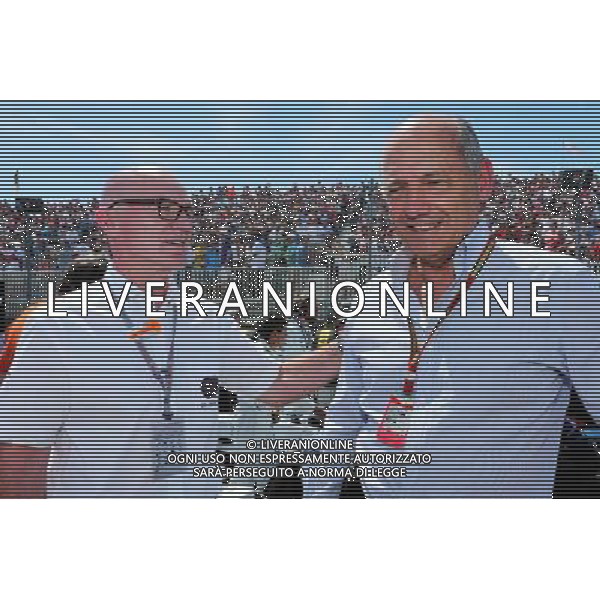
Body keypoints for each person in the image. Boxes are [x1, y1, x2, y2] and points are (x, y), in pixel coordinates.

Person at [305, 114, 600, 498]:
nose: (414, 206)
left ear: (482, 182)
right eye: (397, 189)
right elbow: (343, 423)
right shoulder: (373, 296)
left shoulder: (560, 284)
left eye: (434, 182)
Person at [0, 168, 340, 498]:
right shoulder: (58, 326)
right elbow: (20, 463)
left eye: (188, 211)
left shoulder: (208, 317)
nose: (185, 223)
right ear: (110, 221)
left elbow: (276, 385)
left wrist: (355, 343)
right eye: (165, 209)